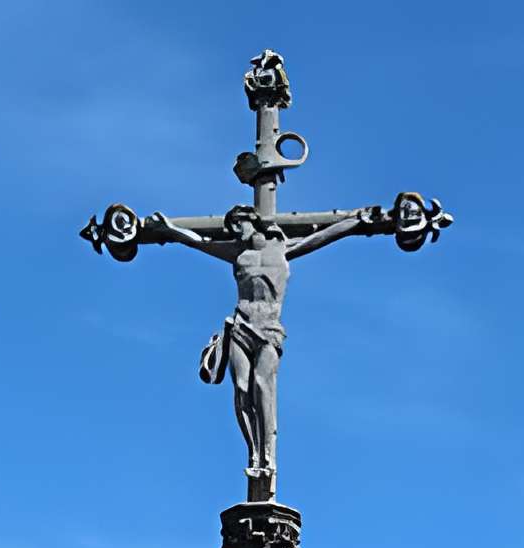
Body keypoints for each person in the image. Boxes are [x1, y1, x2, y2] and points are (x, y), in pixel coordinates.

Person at [143, 202, 373, 487]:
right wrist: (169, 230)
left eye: (238, 224)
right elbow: (199, 242)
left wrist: (356, 222)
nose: (234, 231)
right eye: (231, 227)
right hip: (241, 326)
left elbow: (321, 237)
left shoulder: (281, 248)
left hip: (269, 329)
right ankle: (253, 452)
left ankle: (267, 456)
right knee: (242, 391)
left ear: (251, 220)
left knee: (263, 387)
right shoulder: (237, 253)